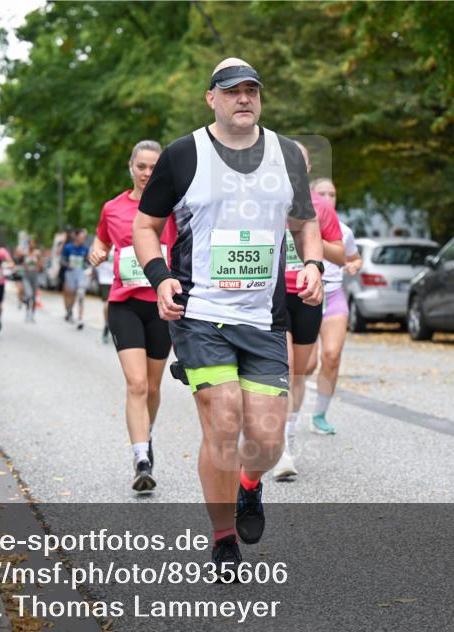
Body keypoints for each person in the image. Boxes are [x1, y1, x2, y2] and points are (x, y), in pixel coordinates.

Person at [133, 58, 324, 571]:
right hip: (201, 314)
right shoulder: (182, 155)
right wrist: (160, 276)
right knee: (222, 422)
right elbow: (145, 226)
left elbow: (306, 225)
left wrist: (313, 265)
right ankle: (223, 539)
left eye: (252, 90)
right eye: (232, 90)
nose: (244, 98)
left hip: (264, 318)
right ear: (211, 98)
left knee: (265, 438)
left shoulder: (286, 155)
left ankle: (248, 484)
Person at [89, 139, 178, 493]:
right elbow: (101, 242)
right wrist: (97, 252)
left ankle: (146, 433)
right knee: (137, 383)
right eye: (142, 166)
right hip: (124, 303)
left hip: (162, 305)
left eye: (155, 168)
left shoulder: (173, 207)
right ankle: (141, 457)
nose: (147, 173)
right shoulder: (112, 208)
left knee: (154, 387)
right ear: (131, 167)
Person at [272, 143, 345, 480]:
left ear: (308, 167)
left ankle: (286, 434)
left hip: (307, 295)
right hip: (272, 294)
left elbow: (341, 254)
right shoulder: (263, 200)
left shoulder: (321, 208)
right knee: (285, 365)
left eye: (299, 162)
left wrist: (309, 235)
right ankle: (282, 450)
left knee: (300, 371)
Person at [303, 178, 362, 437]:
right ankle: (290, 408)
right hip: (305, 296)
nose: (328, 198)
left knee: (332, 356)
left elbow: (354, 257)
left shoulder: (345, 230)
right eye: (322, 193)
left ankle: (319, 414)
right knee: (306, 365)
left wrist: (353, 265)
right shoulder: (299, 225)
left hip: (334, 296)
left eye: (333, 194)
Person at [61, 228, 89, 329]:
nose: (83, 240)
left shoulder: (85, 249)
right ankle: (69, 311)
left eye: (84, 238)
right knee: (71, 295)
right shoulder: (68, 247)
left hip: (81, 273)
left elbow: (87, 261)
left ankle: (80, 319)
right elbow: (62, 260)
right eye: (81, 237)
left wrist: (87, 267)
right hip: (70, 273)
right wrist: (69, 265)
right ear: (76, 237)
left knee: (81, 294)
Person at [96, 242, 115, 343]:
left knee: (114, 305)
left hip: (117, 279)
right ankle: (107, 325)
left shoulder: (119, 242)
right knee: (108, 303)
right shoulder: (102, 243)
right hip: (104, 279)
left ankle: (110, 325)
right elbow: (94, 257)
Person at [22, 237, 43, 322]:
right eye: (30, 243)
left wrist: (37, 265)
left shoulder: (37, 253)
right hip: (26, 276)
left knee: (34, 297)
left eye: (33, 243)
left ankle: (32, 314)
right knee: (29, 294)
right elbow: (21, 263)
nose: (32, 245)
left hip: (34, 276)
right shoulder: (25, 252)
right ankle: (27, 311)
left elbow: (40, 265)